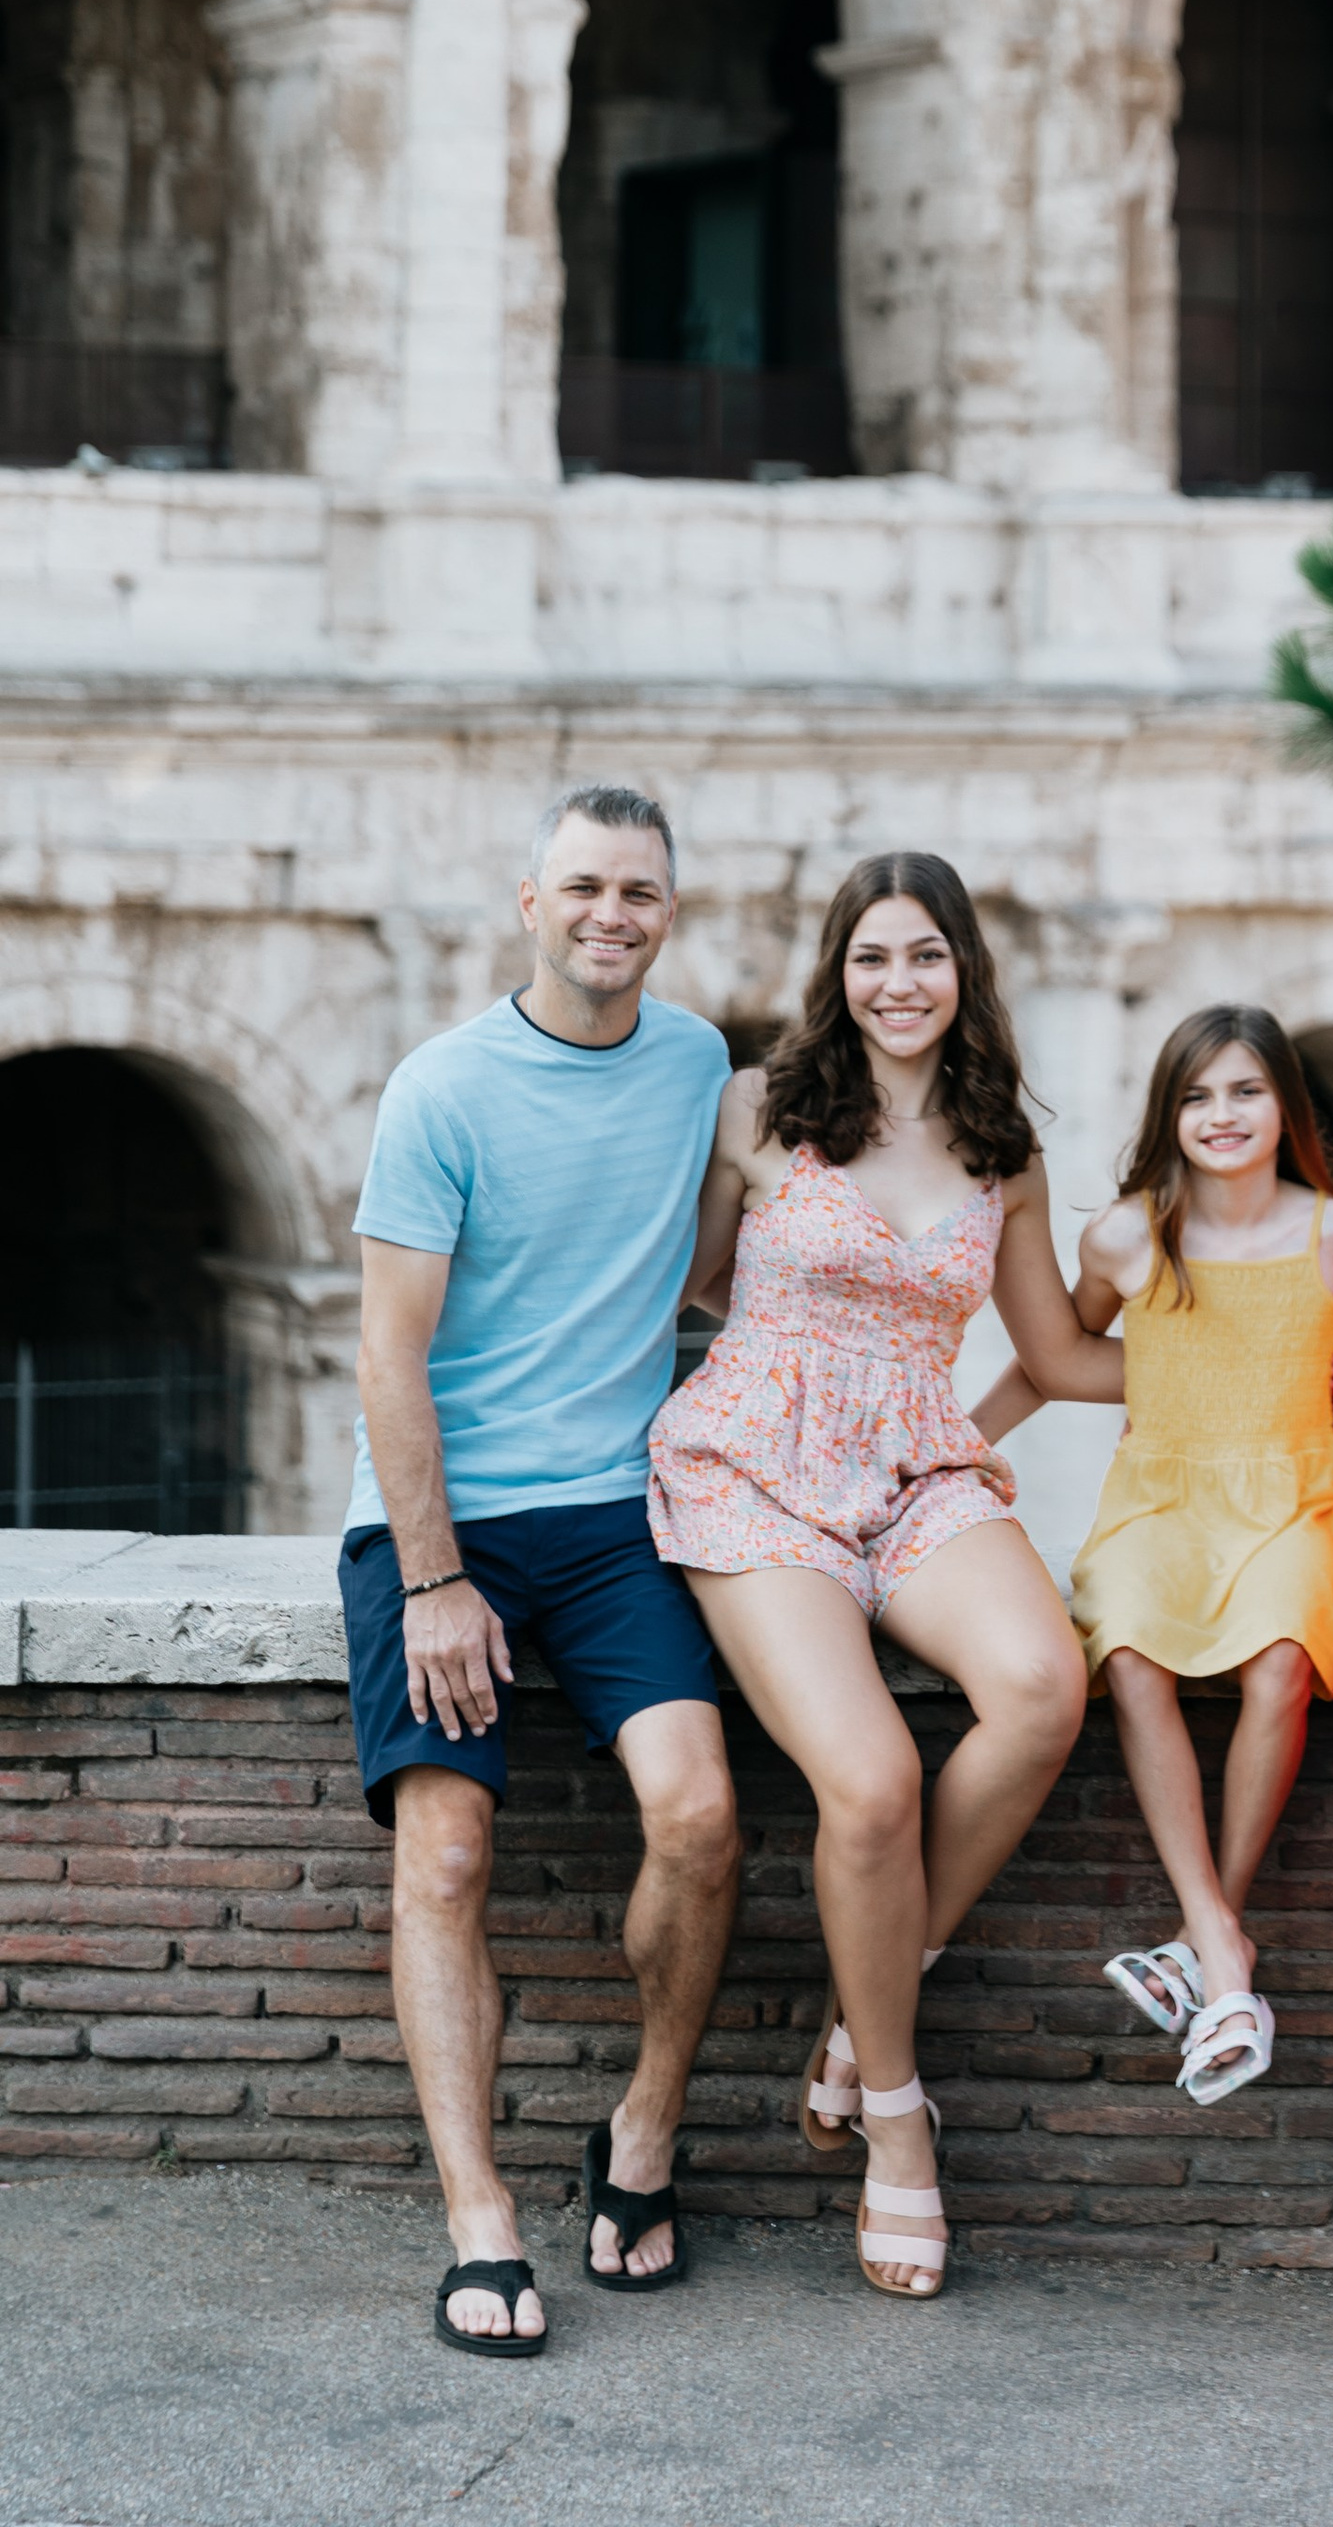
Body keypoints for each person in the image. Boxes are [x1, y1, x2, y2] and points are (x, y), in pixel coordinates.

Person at [647, 852, 1112, 2301]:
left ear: (964, 968)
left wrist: (1270, 1355)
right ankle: (900, 2129)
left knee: (1044, 1685)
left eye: (925, 956)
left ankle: (868, 2007)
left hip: (918, 1457)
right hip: (756, 1463)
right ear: (834, 971)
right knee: (872, 1781)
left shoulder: (1002, 1146)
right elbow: (689, 1282)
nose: (898, 983)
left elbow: (1054, 1357)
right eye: (871, 957)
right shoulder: (758, 1106)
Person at [341, 783, 743, 2358]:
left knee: (703, 1818)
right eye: (583, 886)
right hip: (437, 1522)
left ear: (667, 911)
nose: (610, 914)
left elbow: (715, 1267)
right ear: (529, 902)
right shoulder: (441, 1088)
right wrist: (436, 1580)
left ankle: (641, 2134)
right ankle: (479, 2217)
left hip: (612, 1519)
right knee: (445, 1856)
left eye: (639, 891)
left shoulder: (701, 1063)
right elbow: (390, 1354)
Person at [975, 1006, 1333, 2105]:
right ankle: (1219, 1946)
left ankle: (1207, 1943)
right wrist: (958, 1445)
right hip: (1158, 1492)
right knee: (1135, 1656)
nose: (1221, 1114)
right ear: (1169, 1116)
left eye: (1245, 1090)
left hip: (1291, 1491)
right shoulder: (1125, 1234)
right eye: (1197, 1096)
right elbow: (1062, 1358)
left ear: (1286, 1104)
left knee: (1285, 1656)